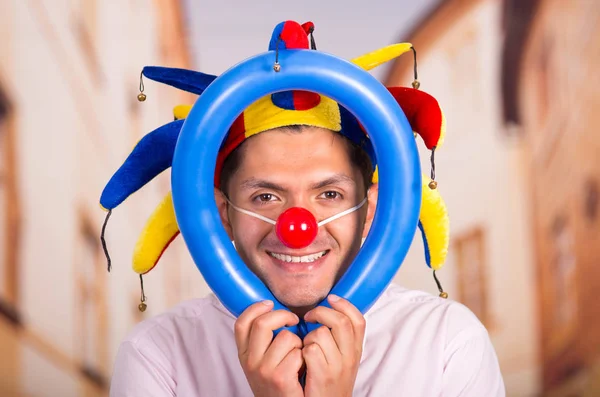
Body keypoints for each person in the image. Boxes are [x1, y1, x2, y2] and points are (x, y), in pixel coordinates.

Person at [104, 21, 505, 396]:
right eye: (266, 197)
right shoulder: (157, 354)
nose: (299, 227)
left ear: (372, 211)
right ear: (222, 213)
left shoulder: (449, 341)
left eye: (329, 194)